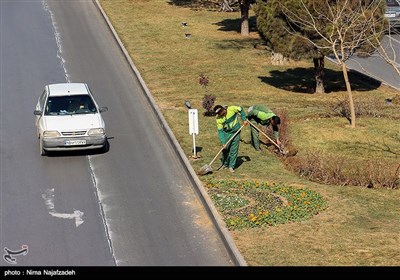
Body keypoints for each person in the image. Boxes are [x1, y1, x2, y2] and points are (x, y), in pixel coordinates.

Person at [213, 105, 248, 173]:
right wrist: (223, 142)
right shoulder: (218, 119)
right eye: (220, 114)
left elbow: (240, 109)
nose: (222, 115)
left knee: (234, 150)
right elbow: (220, 131)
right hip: (227, 134)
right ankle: (225, 164)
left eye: (223, 112)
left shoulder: (232, 109)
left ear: (224, 109)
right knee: (225, 149)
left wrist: (244, 119)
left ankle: (231, 166)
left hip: (236, 132)